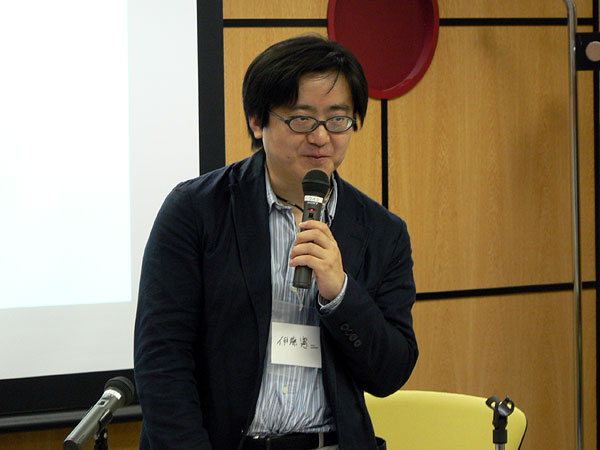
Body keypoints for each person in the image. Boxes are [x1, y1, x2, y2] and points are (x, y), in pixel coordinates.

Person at [134, 34, 418, 450]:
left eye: (337, 120)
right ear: (257, 120)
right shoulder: (195, 211)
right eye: (301, 119)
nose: (321, 137)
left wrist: (341, 293)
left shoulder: (382, 232)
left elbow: (390, 372)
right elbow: (162, 361)